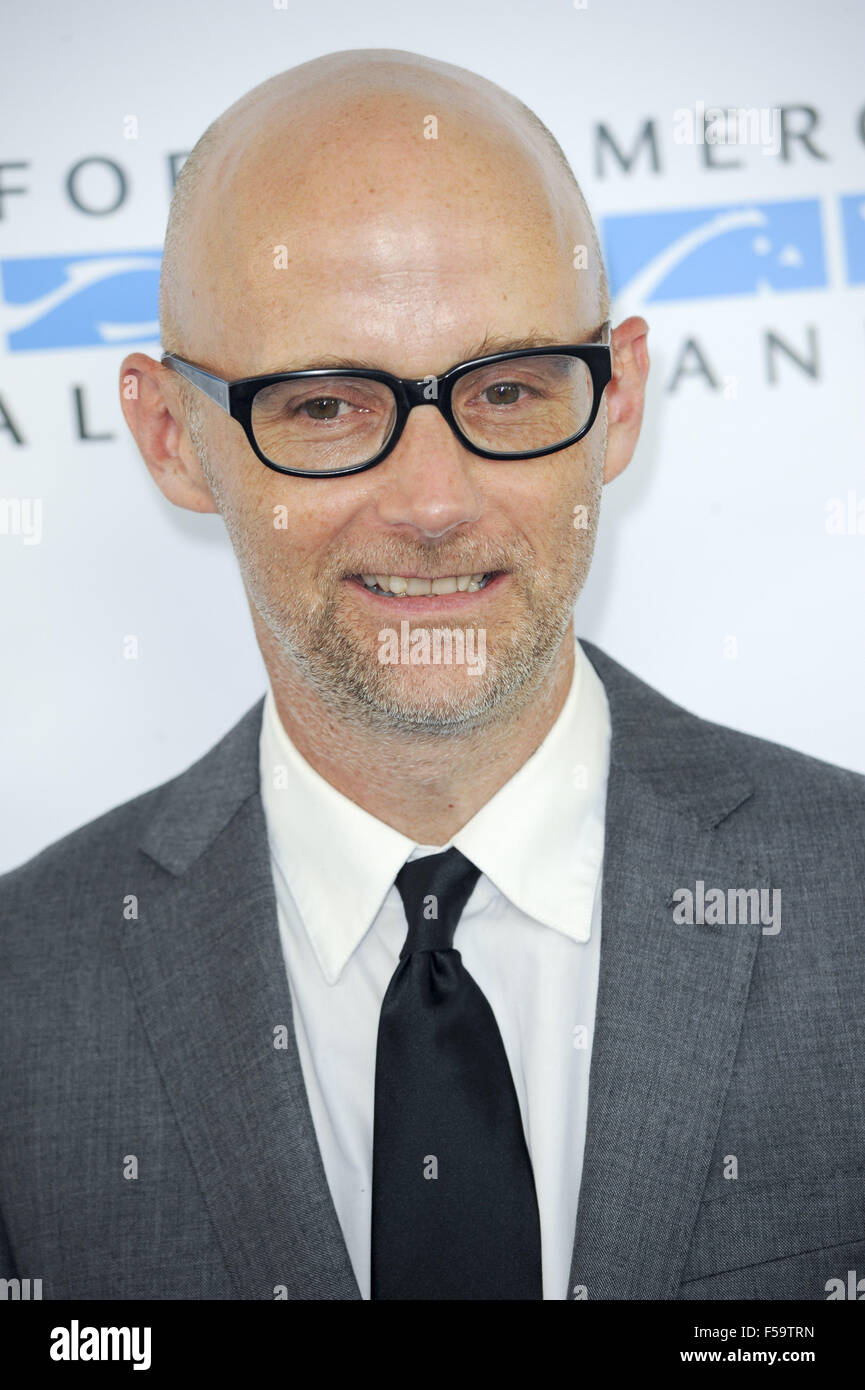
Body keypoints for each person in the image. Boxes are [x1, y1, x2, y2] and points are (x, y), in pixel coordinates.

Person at [1, 48, 863, 1303]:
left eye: (508, 389)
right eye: (326, 406)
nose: (432, 501)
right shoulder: (25, 993)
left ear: (616, 406)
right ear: (172, 439)